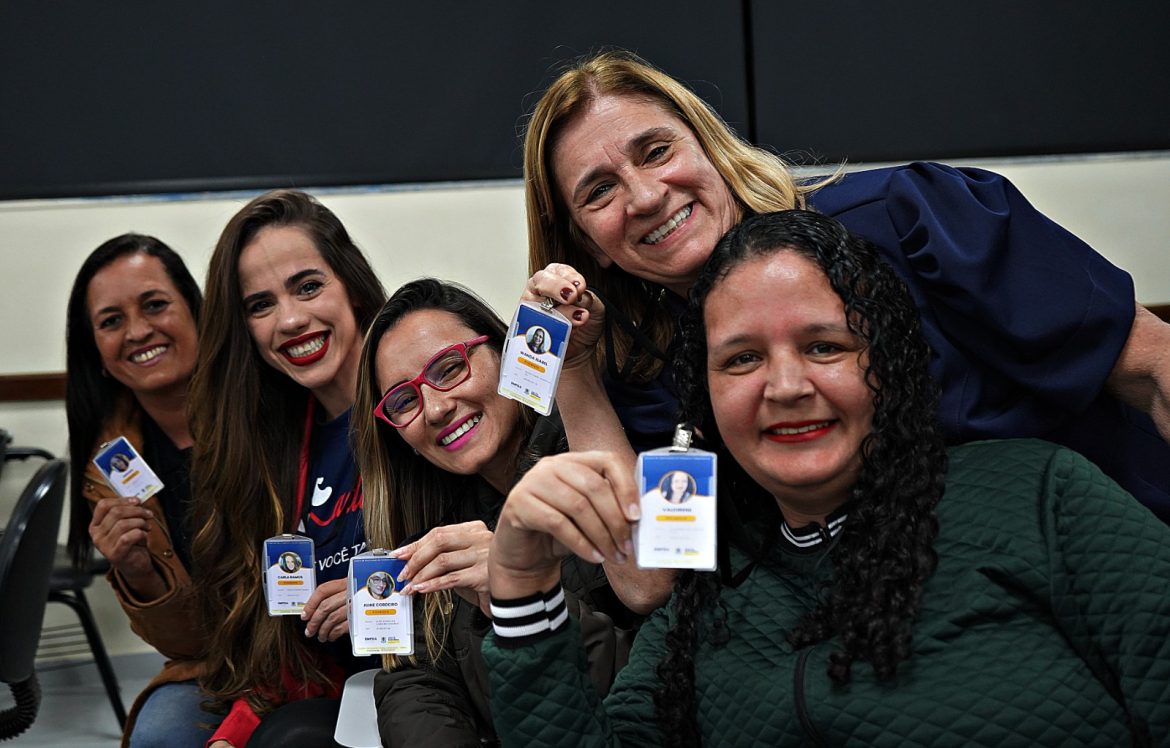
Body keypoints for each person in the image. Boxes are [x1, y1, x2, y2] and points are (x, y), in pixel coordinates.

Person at [483, 210, 1170, 745]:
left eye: (824, 346)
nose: (785, 386)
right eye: (742, 359)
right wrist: (522, 584)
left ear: (888, 365)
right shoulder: (708, 594)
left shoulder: (1039, 497)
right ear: (706, 401)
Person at [519, 51, 1170, 558]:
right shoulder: (653, 373)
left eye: (657, 151)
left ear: (708, 145)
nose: (645, 196)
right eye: (599, 191)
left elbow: (1154, 367)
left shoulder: (913, 220)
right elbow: (651, 575)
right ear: (589, 244)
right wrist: (572, 370)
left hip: (1119, 556)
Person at [352, 278, 636, 747]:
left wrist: (522, 593)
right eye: (404, 400)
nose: (435, 408)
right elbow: (415, 682)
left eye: (449, 368)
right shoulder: (433, 514)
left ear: (507, 352)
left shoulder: (595, 453)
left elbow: (657, 675)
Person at [189, 189, 387, 748]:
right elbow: (283, 647)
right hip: (337, 699)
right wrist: (231, 737)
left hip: (438, 682)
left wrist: (386, 601)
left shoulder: (425, 409)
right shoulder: (270, 451)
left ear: (351, 285)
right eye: (260, 305)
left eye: (308, 286)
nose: (292, 319)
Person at [64, 233, 218, 747]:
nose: (137, 331)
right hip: (214, 666)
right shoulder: (108, 468)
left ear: (196, 311)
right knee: (158, 737)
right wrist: (138, 573)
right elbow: (186, 646)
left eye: (155, 305)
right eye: (111, 321)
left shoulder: (272, 409)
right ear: (96, 352)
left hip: (311, 648)